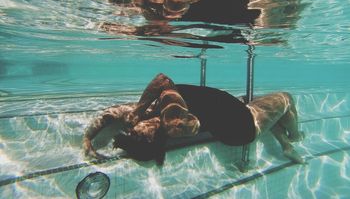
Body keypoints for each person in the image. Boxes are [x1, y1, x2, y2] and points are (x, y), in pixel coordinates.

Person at [83, 73, 305, 164]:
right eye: (141, 132)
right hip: (244, 124)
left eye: (134, 130)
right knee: (285, 99)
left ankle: (283, 142)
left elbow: (109, 114)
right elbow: (162, 79)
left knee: (256, 104)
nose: (137, 126)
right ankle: (294, 138)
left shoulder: (153, 115)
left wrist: (87, 140)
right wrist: (141, 111)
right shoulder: (175, 117)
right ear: (153, 136)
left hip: (233, 115)